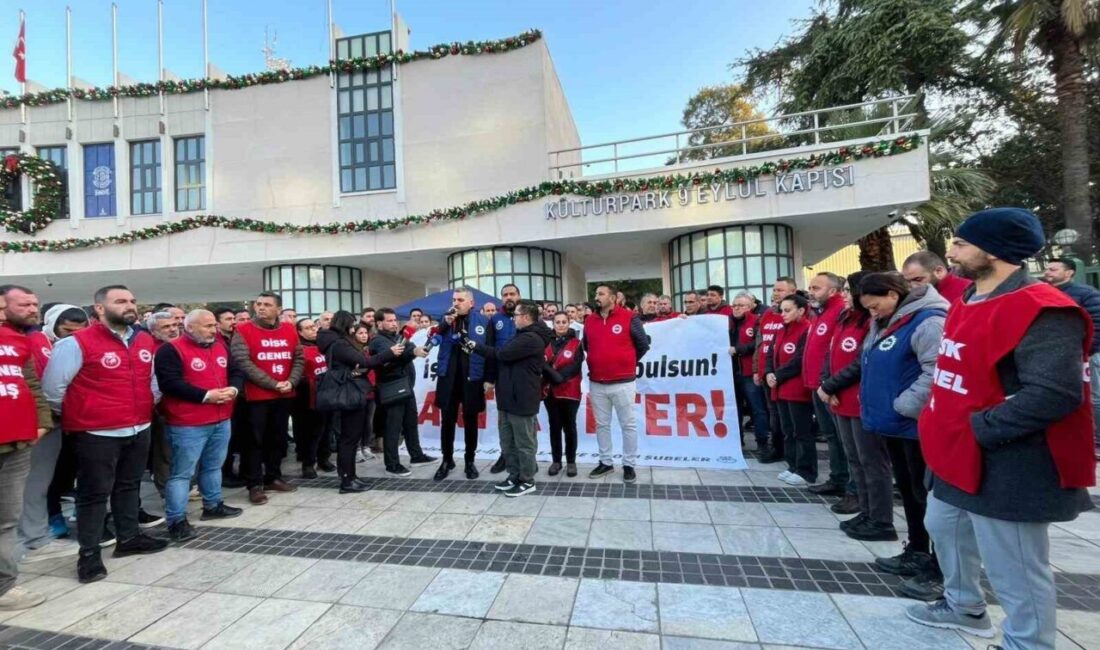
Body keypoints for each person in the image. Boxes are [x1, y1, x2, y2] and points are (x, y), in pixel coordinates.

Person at [908, 208, 1097, 648]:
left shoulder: (1044, 310)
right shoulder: (969, 297)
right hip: (957, 449)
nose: (951, 252)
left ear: (993, 251)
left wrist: (980, 428)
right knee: (944, 525)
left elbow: (1053, 394)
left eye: (960, 244)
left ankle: (1028, 643)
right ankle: (964, 606)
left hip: (1010, 458)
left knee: (1014, 564)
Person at [42, 285, 168, 584]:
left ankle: (129, 538)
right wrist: (86, 413)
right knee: (93, 494)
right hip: (96, 433)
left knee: (128, 486)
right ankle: (89, 555)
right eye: (120, 301)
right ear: (99, 308)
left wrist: (147, 405)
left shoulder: (144, 339)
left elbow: (151, 379)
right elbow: (53, 391)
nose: (130, 306)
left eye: (132, 301)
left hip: (139, 426)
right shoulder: (75, 343)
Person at [852, 272, 948, 601]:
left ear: (893, 294)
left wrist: (904, 406)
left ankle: (940, 564)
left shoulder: (929, 321)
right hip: (893, 425)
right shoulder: (886, 321)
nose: (871, 312)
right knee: (908, 493)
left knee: (926, 496)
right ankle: (917, 550)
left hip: (915, 424)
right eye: (866, 309)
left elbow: (936, 370)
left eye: (875, 305)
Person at [0, 287, 77, 565]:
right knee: (29, 488)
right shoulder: (26, 338)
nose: (33, 309)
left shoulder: (28, 338)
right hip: (18, 429)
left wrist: (44, 420)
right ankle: (33, 539)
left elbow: (31, 383)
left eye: (35, 304)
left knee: (34, 486)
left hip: (34, 427)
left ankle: (34, 537)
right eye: (24, 305)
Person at [155, 310, 244, 541]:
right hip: (188, 423)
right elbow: (170, 383)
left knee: (214, 466)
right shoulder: (170, 350)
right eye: (206, 326)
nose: (213, 330)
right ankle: (176, 520)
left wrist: (233, 389)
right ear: (189, 327)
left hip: (221, 418)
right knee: (182, 474)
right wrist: (205, 396)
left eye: (214, 325)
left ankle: (213, 505)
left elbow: (235, 371)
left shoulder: (220, 346)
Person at [465, 300, 552, 496]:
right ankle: (515, 475)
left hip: (522, 398)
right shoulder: (519, 335)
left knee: (524, 442)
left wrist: (474, 346)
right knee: (508, 442)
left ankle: (527, 480)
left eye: (517, 316)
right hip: (507, 397)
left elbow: (502, 354)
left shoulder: (531, 338)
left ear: (527, 317)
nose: (513, 319)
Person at [0, 292, 52, 612]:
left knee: (6, 520)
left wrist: (42, 422)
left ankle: (4, 586)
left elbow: (31, 383)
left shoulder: (16, 339)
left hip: (16, 444)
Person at [231, 291, 303, 505]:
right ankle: (254, 484)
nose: (261, 308)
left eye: (267, 304)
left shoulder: (289, 329)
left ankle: (273, 477)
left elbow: (298, 358)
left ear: (278, 309)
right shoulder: (243, 330)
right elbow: (243, 362)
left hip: (284, 393)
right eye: (258, 304)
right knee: (254, 442)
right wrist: (273, 383)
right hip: (256, 397)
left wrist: (291, 380)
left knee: (278, 438)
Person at [318, 311, 401, 491]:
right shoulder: (339, 344)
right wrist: (390, 353)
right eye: (352, 325)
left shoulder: (334, 342)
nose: (354, 328)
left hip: (349, 389)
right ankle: (347, 480)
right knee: (349, 439)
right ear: (346, 325)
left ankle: (351, 476)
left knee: (350, 437)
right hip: (350, 393)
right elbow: (364, 361)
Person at [817, 271, 874, 520]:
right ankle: (854, 494)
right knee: (850, 452)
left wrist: (830, 386)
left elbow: (861, 361)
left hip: (856, 397)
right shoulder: (844, 317)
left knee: (866, 457)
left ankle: (866, 503)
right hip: (835, 394)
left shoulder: (871, 322)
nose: (846, 296)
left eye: (851, 291)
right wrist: (827, 384)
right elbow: (831, 352)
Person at [583, 285, 650, 482]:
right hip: (597, 382)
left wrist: (626, 362)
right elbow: (587, 346)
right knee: (602, 425)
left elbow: (643, 344)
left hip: (623, 383)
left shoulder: (629, 317)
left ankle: (629, 465)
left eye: (601, 294)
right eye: (596, 294)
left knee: (627, 425)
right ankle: (605, 462)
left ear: (612, 298)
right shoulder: (590, 320)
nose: (597, 297)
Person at [803, 272, 853, 505]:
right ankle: (838, 478)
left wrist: (828, 383)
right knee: (832, 436)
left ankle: (851, 485)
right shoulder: (819, 314)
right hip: (817, 385)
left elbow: (836, 353)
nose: (811, 291)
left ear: (832, 291)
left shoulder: (840, 312)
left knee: (844, 440)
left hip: (831, 387)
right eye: (811, 287)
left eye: (816, 288)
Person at [1042, 257, 1100, 455]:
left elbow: (1097, 325)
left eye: (1053, 269)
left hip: (1086, 356)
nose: (1047, 272)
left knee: (1093, 398)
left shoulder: (1086, 294)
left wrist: (1085, 351)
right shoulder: (1041, 292)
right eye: (1047, 268)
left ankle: (1097, 442)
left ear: (1069, 273)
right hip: (1053, 357)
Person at [40, 304, 88, 539]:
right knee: (52, 475)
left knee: (79, 470)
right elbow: (50, 388)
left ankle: (82, 512)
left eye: (78, 331)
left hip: (80, 421)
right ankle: (52, 515)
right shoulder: (39, 346)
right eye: (67, 330)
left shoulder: (85, 345)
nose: (73, 336)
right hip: (52, 420)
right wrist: (62, 410)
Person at [369, 308, 436, 476]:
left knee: (410, 423)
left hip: (406, 386)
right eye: (389, 320)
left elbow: (410, 346)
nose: (393, 323)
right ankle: (392, 465)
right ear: (379, 323)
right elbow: (398, 354)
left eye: (394, 320)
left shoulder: (396, 336)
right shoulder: (378, 340)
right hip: (392, 388)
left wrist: (415, 349)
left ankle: (416, 456)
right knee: (393, 427)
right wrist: (413, 351)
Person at [433, 290, 491, 481]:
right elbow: (434, 336)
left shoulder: (483, 321)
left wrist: (488, 378)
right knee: (447, 421)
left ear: (471, 303)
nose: (456, 303)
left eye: (460, 300)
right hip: (448, 377)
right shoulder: (446, 320)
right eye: (454, 300)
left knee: (471, 420)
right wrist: (445, 323)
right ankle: (447, 460)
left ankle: (469, 461)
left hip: (472, 377)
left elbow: (489, 351)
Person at [766, 293, 815, 486]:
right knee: (787, 430)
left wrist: (777, 375)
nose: (783, 314)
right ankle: (793, 465)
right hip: (779, 388)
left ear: (801, 310)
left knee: (801, 431)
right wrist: (769, 372)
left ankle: (806, 470)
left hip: (796, 388)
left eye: (788, 310)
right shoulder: (781, 330)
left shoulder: (806, 329)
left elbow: (799, 359)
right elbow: (771, 353)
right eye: (781, 310)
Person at [753, 278, 797, 463]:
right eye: (774, 289)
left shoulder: (796, 315)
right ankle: (777, 449)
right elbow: (760, 344)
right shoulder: (768, 315)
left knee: (787, 418)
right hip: (765, 373)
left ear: (792, 291)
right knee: (773, 415)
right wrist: (757, 369)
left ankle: (790, 453)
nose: (776, 293)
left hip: (784, 375)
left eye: (780, 290)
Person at [543, 312, 584, 476]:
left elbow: (576, 365)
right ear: (553, 324)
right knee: (554, 427)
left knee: (570, 428)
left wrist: (559, 377)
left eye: (564, 322)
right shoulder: (545, 342)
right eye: (557, 322)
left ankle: (571, 462)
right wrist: (552, 377)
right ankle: (556, 461)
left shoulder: (577, 343)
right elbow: (541, 363)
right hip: (550, 391)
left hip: (570, 391)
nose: (561, 325)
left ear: (569, 323)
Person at [293, 318, 334, 478]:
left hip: (328, 395)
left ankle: (324, 459)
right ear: (300, 332)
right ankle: (308, 463)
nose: (313, 330)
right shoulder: (299, 350)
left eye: (314, 326)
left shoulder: (323, 347)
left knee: (327, 429)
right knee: (312, 433)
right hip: (308, 398)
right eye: (308, 328)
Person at [487, 283, 521, 474]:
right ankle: (505, 455)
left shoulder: (527, 316)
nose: (509, 297)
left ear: (518, 295)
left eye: (512, 294)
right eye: (505, 294)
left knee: (524, 420)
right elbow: (490, 350)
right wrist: (490, 378)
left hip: (524, 377)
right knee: (504, 420)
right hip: (502, 378)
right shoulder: (495, 320)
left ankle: (525, 458)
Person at [730, 291, 769, 455]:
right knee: (734, 409)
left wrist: (738, 350)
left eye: (741, 306)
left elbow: (759, 344)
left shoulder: (757, 321)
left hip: (749, 373)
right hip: (731, 374)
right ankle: (737, 441)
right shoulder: (726, 323)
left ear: (750, 307)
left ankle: (762, 442)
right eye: (735, 305)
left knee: (757, 409)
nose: (737, 309)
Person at [901, 250, 973, 304]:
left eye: (918, 279)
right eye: (908, 281)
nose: (913, 286)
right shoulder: (914, 296)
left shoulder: (969, 290)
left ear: (939, 271)